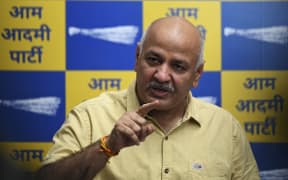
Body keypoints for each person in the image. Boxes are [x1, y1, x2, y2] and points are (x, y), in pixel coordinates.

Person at [35, 16, 260, 180]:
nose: (162, 75)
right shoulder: (90, 116)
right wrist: (107, 146)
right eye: (153, 60)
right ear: (137, 58)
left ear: (196, 75)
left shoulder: (224, 128)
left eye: (178, 66)